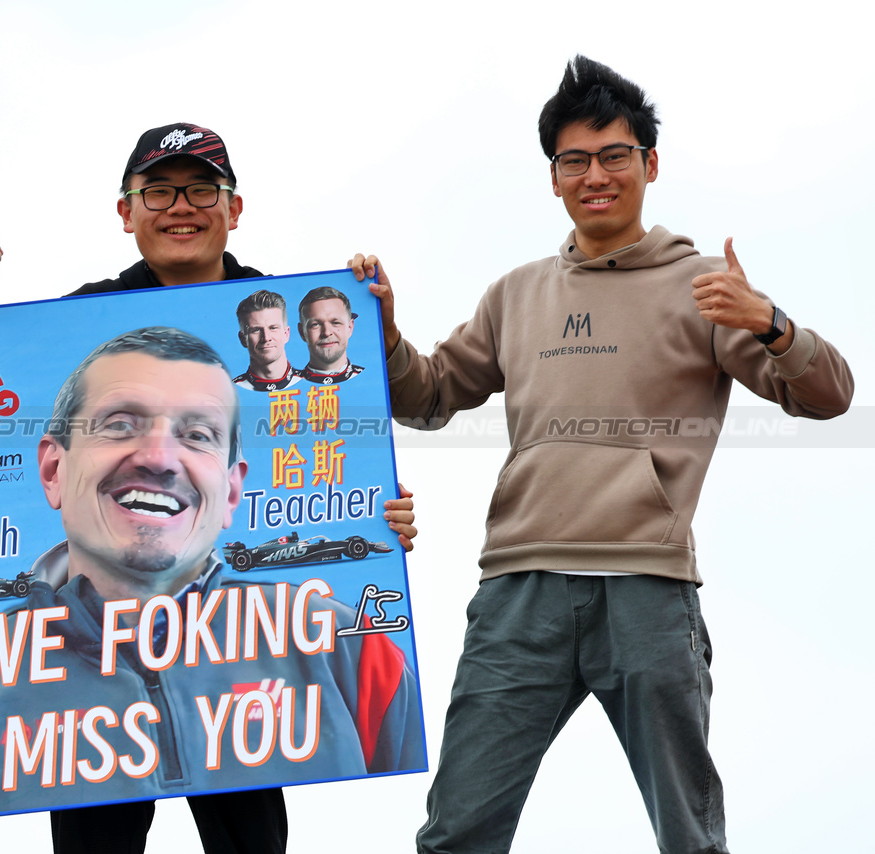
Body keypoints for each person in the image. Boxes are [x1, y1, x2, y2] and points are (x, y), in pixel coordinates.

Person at [355, 56, 854, 853]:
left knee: (691, 835)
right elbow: (432, 395)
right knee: (456, 833)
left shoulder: (704, 287)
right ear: (553, 177)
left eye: (615, 155)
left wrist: (771, 323)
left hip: (648, 591)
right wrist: (378, 332)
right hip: (519, 592)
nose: (597, 175)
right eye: (575, 160)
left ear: (649, 164)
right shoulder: (515, 293)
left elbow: (831, 394)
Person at [0, 123, 418, 854]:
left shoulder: (288, 317)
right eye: (158, 190)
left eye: (202, 189)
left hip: (241, 663)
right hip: (74, 685)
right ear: (125, 211)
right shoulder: (82, 313)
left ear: (234, 209)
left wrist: (379, 510)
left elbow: (337, 452)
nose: (181, 207)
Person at [0, 327, 423, 825]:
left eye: (197, 434)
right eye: (120, 424)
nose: (159, 458)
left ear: (233, 492)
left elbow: (397, 823)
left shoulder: (351, 648)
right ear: (55, 471)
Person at [232, 289, 301, 391]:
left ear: (286, 334)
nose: (266, 338)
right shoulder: (230, 392)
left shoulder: (312, 383)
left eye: (273, 328)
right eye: (256, 330)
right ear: (243, 339)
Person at [297, 286, 364, 384]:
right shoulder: (286, 388)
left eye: (335, 322)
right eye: (315, 324)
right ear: (302, 332)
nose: (327, 332)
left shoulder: (374, 380)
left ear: (350, 328)